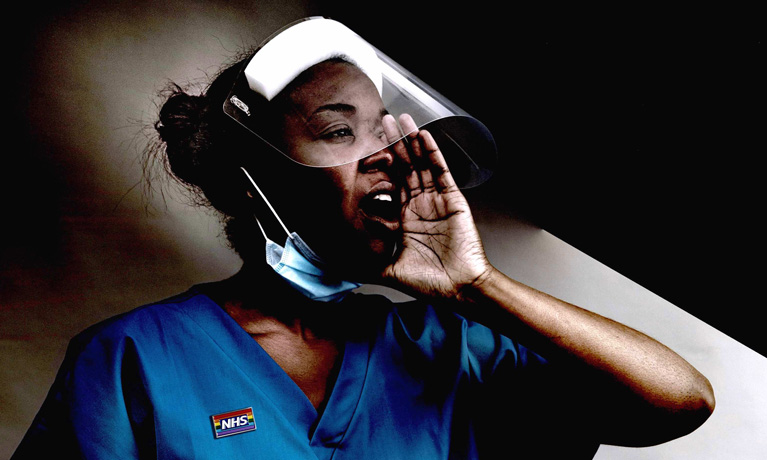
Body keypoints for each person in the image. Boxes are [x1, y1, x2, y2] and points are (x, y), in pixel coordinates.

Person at [12, 17, 714, 459]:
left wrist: (478, 285)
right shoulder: (134, 358)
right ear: (253, 178)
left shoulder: (454, 348)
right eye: (338, 131)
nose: (384, 150)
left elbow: (678, 402)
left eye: (383, 125)